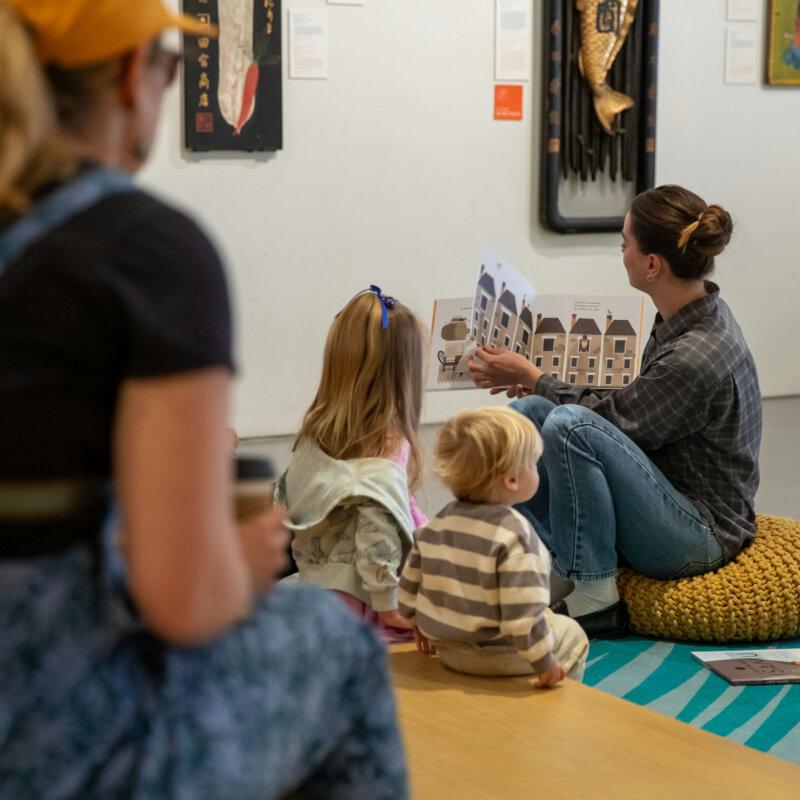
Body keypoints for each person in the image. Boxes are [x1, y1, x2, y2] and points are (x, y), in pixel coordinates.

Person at [0, 2, 407, 798]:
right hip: (51, 736)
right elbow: (184, 600)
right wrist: (246, 559)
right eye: (172, 66)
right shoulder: (147, 253)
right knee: (339, 648)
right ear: (129, 77)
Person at [468, 186, 762, 637]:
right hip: (670, 495)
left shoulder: (696, 354)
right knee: (527, 412)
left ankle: (595, 596)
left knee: (567, 424)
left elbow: (616, 421)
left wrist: (537, 376)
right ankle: (555, 568)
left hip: (702, 534)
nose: (620, 251)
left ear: (652, 263)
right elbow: (636, 407)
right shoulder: (693, 312)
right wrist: (533, 383)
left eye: (626, 243)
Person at [277, 287, 427, 642]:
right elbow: (379, 533)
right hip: (369, 612)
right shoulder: (388, 445)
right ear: (403, 373)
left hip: (319, 601)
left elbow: (285, 500)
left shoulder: (314, 434)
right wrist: (390, 605)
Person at [398, 407, 588, 684]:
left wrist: (418, 625)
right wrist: (545, 662)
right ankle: (549, 704)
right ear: (512, 480)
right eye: (534, 464)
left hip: (449, 650)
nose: (538, 470)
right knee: (572, 633)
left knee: (543, 616)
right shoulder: (515, 535)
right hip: (499, 656)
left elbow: (408, 588)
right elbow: (521, 615)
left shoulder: (435, 524)